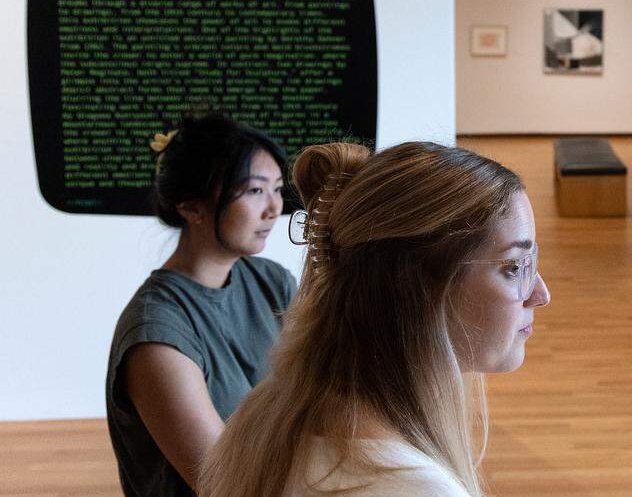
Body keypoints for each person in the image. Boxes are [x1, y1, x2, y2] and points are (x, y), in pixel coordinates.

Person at [198, 141, 551, 497]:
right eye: (515, 267)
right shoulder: (408, 487)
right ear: (419, 289)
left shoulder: (264, 418)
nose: (541, 294)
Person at [106, 112, 296, 496]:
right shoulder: (156, 331)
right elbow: (224, 484)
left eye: (277, 188)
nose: (274, 208)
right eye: (255, 190)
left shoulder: (272, 281)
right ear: (190, 206)